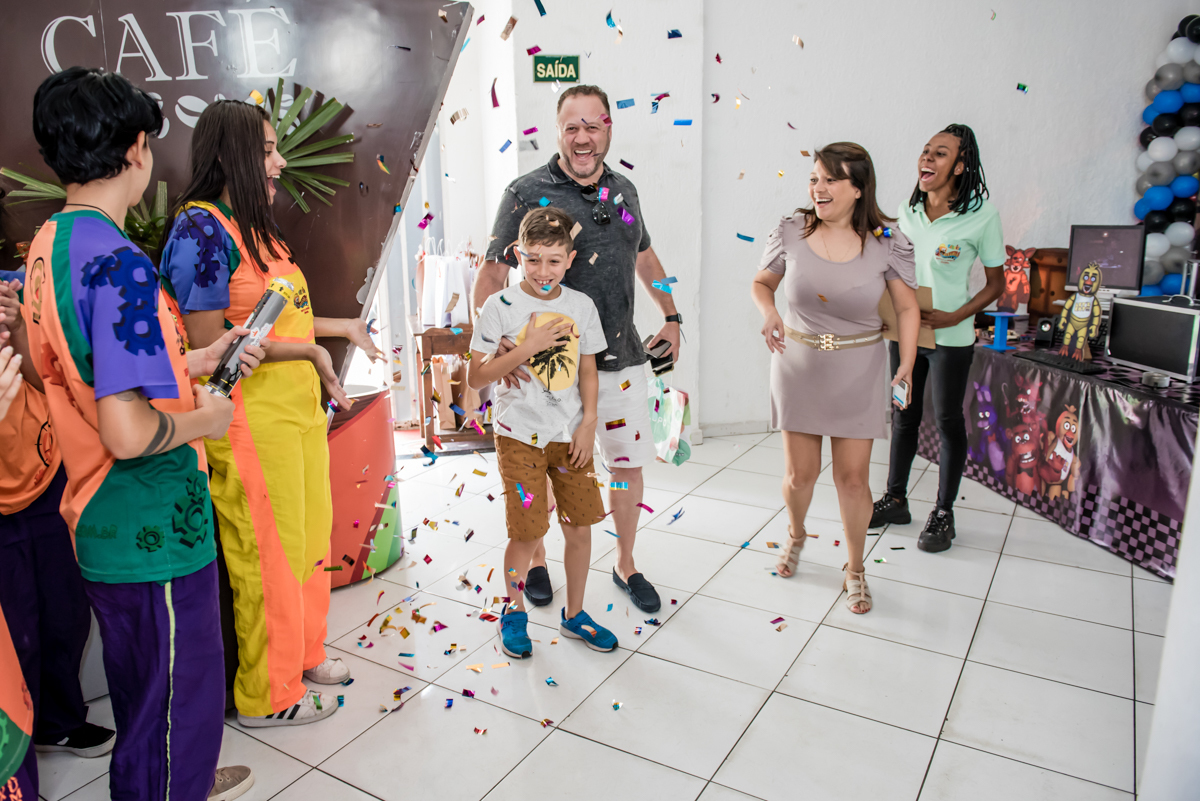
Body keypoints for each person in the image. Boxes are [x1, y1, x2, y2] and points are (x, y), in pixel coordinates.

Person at [23, 67, 257, 800]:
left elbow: (59, 371)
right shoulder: (120, 266)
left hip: (97, 521)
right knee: (175, 712)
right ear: (136, 151)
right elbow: (126, 432)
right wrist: (204, 416)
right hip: (150, 529)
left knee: (147, 703)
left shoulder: (50, 245)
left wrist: (192, 359)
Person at [160, 99, 383, 728]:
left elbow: (276, 316)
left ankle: (306, 654)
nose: (279, 162)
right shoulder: (199, 232)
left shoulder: (255, 226)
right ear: (231, 155)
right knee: (269, 560)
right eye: (264, 150)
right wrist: (312, 350)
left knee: (310, 541)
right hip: (248, 426)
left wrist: (338, 330)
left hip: (298, 417)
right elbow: (215, 350)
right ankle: (270, 693)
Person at [473, 84, 680, 614]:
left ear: (608, 128)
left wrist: (673, 317)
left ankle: (626, 564)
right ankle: (538, 559)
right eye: (573, 126)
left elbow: (647, 258)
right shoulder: (525, 192)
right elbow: (494, 272)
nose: (583, 136)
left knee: (628, 468)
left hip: (622, 361)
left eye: (594, 125)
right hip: (548, 375)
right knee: (543, 472)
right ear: (559, 131)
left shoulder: (624, 192)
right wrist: (497, 341)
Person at [751, 143, 920, 614]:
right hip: (798, 365)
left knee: (852, 481)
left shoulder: (889, 242)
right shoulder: (792, 230)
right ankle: (797, 533)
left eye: (829, 180)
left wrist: (905, 363)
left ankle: (855, 568)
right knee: (799, 476)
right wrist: (768, 313)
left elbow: (907, 307)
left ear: (858, 189)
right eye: (813, 179)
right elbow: (762, 283)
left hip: (859, 369)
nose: (817, 189)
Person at [467, 207, 617, 656]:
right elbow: (477, 377)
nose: (544, 270)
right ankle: (513, 612)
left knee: (579, 527)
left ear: (570, 259)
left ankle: (575, 615)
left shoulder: (581, 306)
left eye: (554, 260)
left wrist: (589, 423)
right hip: (519, 437)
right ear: (517, 255)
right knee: (528, 533)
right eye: (533, 259)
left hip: (570, 435)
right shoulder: (500, 307)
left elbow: (588, 369)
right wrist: (528, 347)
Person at [0, 272, 116, 801]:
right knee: (16, 633)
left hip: (46, 477)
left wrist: (15, 325)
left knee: (66, 612)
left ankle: (60, 721)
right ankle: (17, 766)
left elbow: (45, 376)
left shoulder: (20, 288)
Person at [869, 124, 1006, 552]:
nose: (927, 158)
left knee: (948, 422)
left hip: (952, 337)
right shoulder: (905, 212)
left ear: (961, 166)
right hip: (906, 334)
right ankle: (895, 499)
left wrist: (955, 315)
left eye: (941, 153)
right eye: (926, 150)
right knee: (903, 416)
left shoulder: (982, 215)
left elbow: (995, 283)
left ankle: (944, 513)